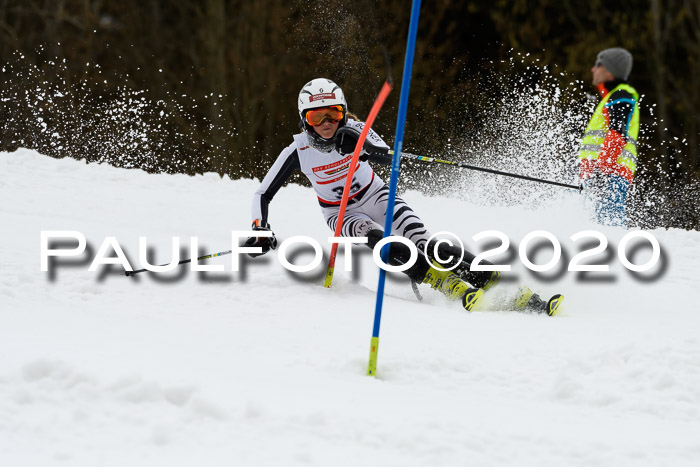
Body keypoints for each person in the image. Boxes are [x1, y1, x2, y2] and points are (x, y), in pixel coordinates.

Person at [243, 77, 501, 311]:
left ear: (343, 113)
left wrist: (361, 144)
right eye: (316, 117)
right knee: (382, 241)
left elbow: (388, 156)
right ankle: (444, 282)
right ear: (304, 120)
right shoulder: (297, 150)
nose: (326, 123)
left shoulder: (358, 128)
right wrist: (259, 228)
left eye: (333, 114)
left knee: (428, 243)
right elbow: (262, 194)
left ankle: (490, 278)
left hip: (377, 195)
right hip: (340, 213)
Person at [577, 47, 640, 227]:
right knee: (593, 226)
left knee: (606, 228)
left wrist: (600, 172)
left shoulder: (622, 95)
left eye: (598, 64)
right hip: (603, 174)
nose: (593, 69)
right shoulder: (613, 96)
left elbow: (617, 133)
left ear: (609, 70)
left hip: (609, 175)